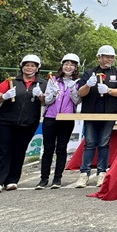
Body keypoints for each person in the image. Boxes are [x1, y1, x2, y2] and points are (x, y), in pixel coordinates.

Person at [0, 55, 46, 193]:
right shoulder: (11, 81)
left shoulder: (43, 83)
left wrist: (40, 96)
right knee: (2, 150)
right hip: (5, 122)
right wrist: (4, 96)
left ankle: (12, 180)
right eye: (27, 65)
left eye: (33, 65)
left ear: (37, 68)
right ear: (22, 66)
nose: (29, 68)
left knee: (19, 150)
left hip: (29, 122)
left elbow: (46, 101)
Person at [75, 45, 117, 188]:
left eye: (112, 57)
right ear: (99, 58)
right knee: (90, 143)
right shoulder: (89, 73)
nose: (110, 59)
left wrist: (109, 90)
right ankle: (84, 174)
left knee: (104, 143)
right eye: (107, 57)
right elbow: (80, 93)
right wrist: (88, 85)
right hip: (90, 113)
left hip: (109, 114)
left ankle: (101, 173)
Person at [36, 53, 82, 189]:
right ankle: (43, 179)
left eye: (72, 65)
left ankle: (57, 178)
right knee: (48, 148)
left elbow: (77, 101)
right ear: (62, 66)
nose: (68, 67)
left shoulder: (78, 82)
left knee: (61, 148)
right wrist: (53, 93)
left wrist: (73, 89)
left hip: (67, 118)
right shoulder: (53, 80)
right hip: (50, 117)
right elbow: (47, 101)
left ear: (76, 68)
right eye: (66, 64)